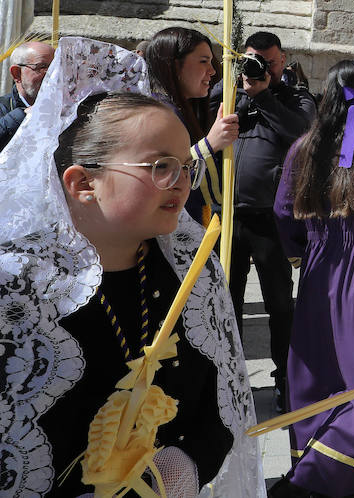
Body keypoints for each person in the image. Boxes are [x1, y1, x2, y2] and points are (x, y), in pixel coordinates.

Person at [0, 37, 260, 498]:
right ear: (83, 182)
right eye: (161, 166)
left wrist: (182, 468)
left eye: (184, 166)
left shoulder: (191, 273)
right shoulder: (16, 292)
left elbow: (220, 405)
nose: (181, 183)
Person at [271, 59, 354, 498]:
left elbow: (283, 213)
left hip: (318, 275)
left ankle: (315, 473)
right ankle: (323, 476)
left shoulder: (304, 149)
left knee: (322, 374)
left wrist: (301, 253)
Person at [228, 30, 316, 409]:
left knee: (280, 304)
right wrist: (240, 89)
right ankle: (227, 379)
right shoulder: (232, 93)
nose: (260, 67)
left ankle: (285, 380)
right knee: (225, 304)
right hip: (227, 215)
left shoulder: (297, 97)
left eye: (268, 61)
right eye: (252, 59)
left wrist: (263, 95)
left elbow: (303, 133)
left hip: (271, 219)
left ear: (282, 61)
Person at [143, 27, 240, 221]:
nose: (212, 71)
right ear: (174, 65)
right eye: (204, 62)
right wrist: (211, 144)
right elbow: (162, 176)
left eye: (211, 62)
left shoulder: (179, 108)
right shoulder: (158, 114)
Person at [0, 38, 55, 150]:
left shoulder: (67, 109)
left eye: (56, 67)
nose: (52, 75)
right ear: (17, 73)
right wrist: (23, 114)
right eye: (42, 67)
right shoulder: (3, 108)